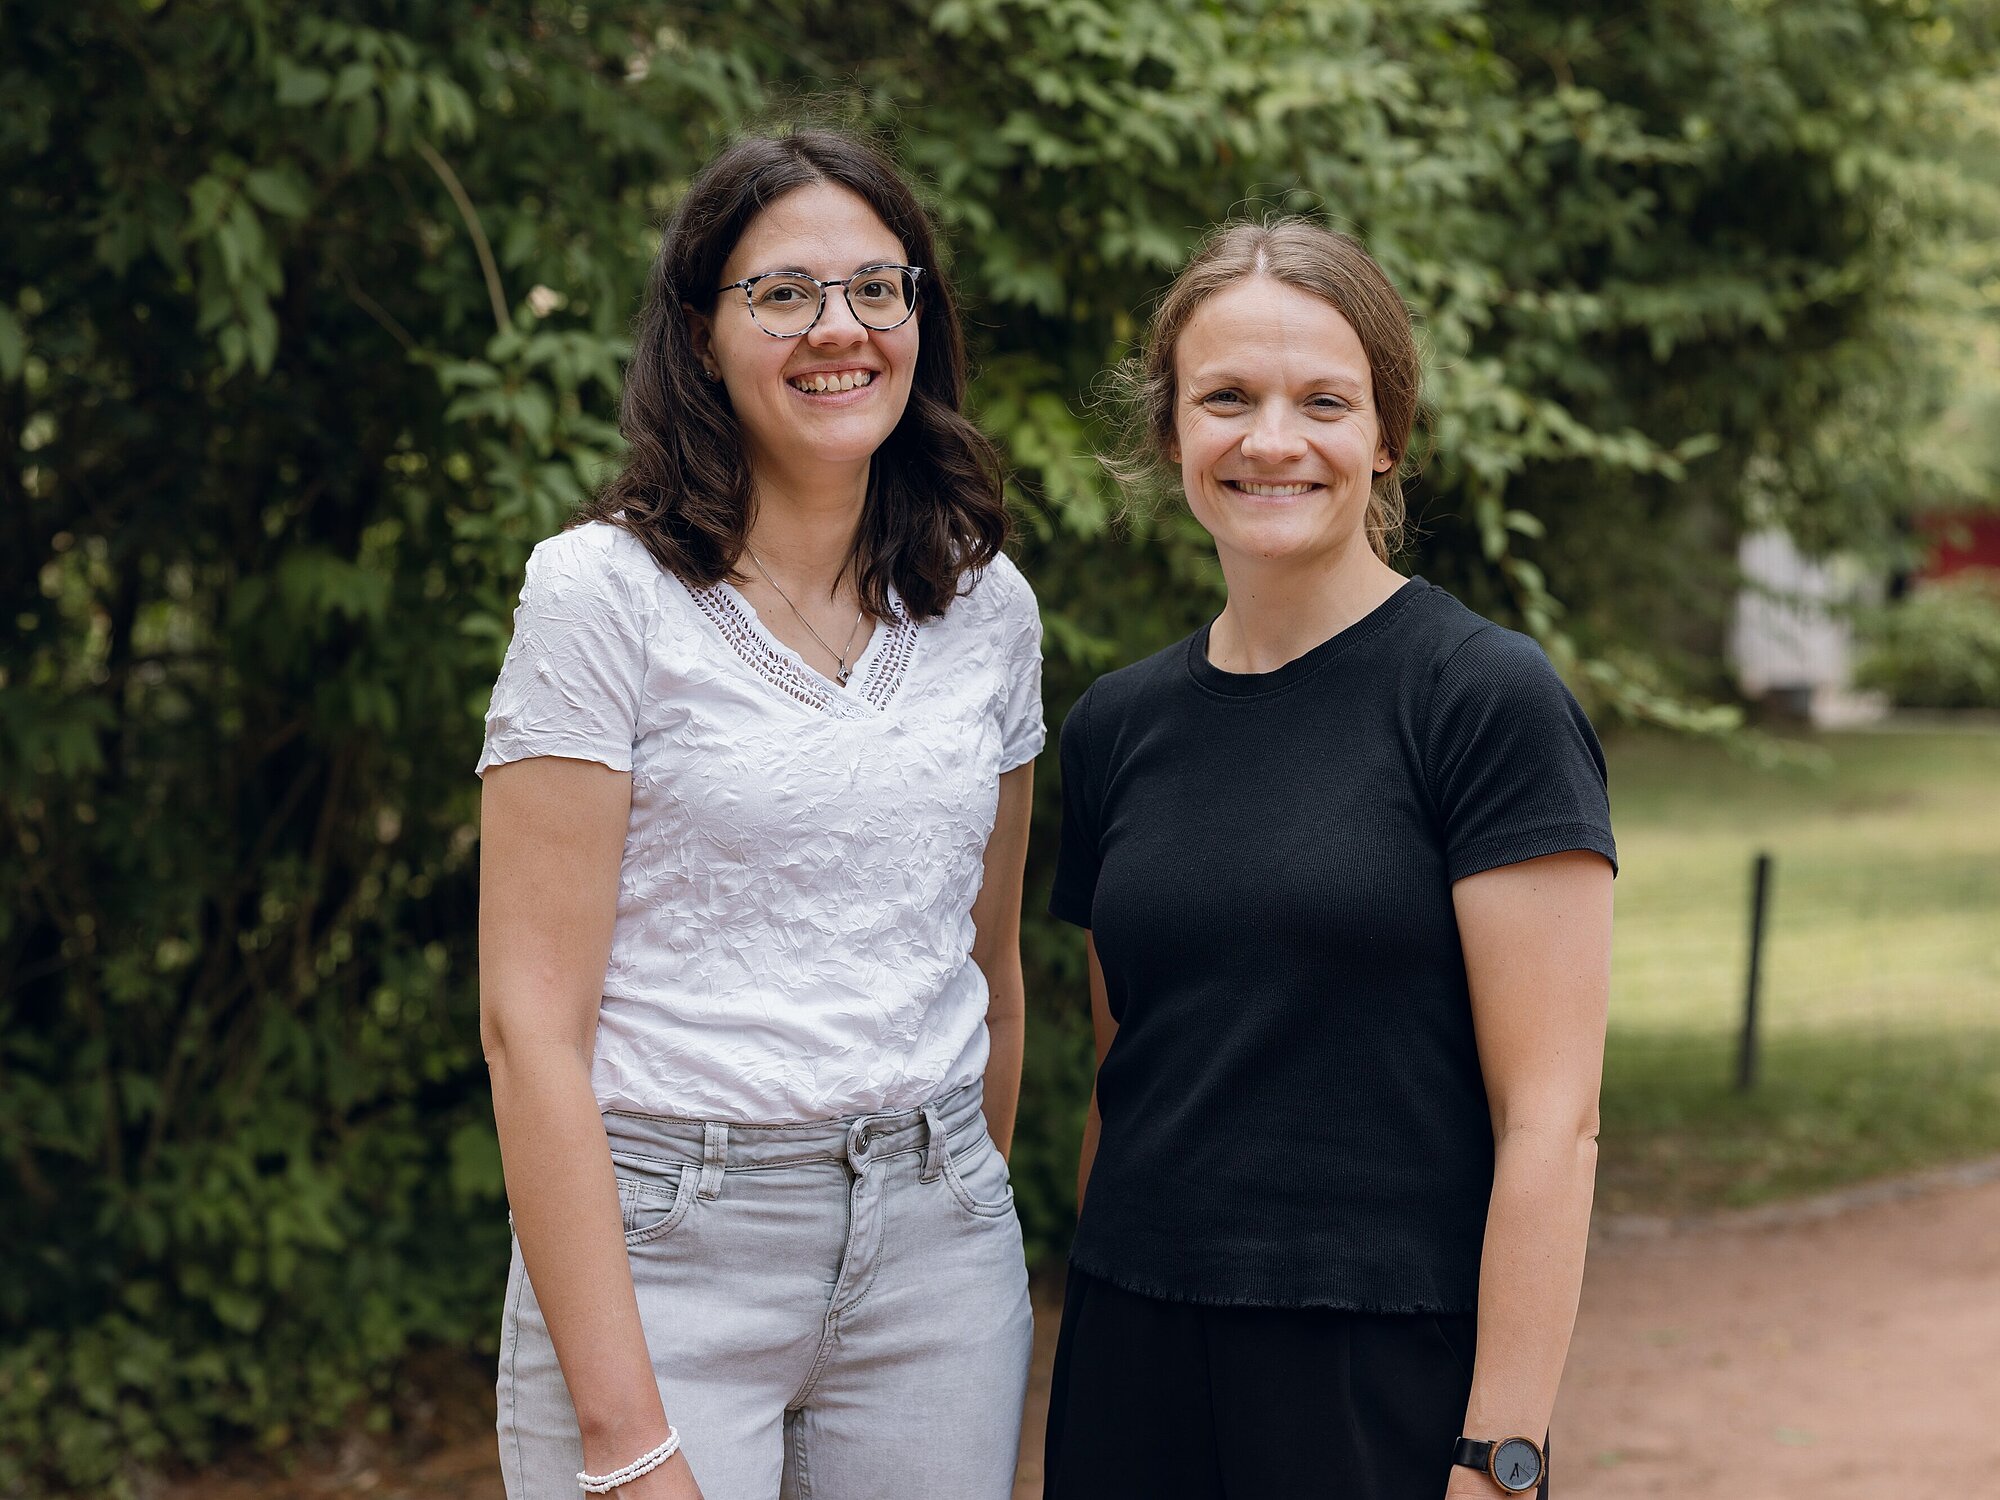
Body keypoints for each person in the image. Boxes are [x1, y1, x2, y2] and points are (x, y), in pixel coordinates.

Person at [475, 129, 1042, 1500]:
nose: (836, 329)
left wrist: (955, 1206)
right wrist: (624, 1436)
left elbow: (990, 972)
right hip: (664, 1249)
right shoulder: (598, 597)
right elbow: (528, 1026)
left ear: (919, 317)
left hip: (937, 1258)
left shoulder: (988, 606)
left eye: (875, 289)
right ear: (700, 332)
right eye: (781, 293)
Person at [1042, 219, 1617, 1499]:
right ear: (1171, 432)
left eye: (1323, 401)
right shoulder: (1114, 726)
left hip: (1378, 1376)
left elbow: (1552, 1121)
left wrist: (1501, 1452)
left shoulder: (1482, 701)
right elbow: (1121, 1074)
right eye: (1225, 398)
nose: (1270, 440)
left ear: (1385, 435)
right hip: (1131, 1357)